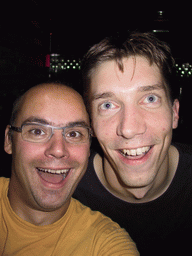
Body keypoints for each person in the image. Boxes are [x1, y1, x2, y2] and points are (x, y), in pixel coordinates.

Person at [74, 31, 192, 255]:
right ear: (91, 122)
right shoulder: (65, 192)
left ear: (175, 113)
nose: (129, 129)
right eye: (108, 105)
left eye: (150, 99)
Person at [0, 83, 139, 255]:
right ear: (8, 140)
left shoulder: (105, 244)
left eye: (74, 134)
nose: (58, 150)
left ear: (89, 148)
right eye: (37, 131)